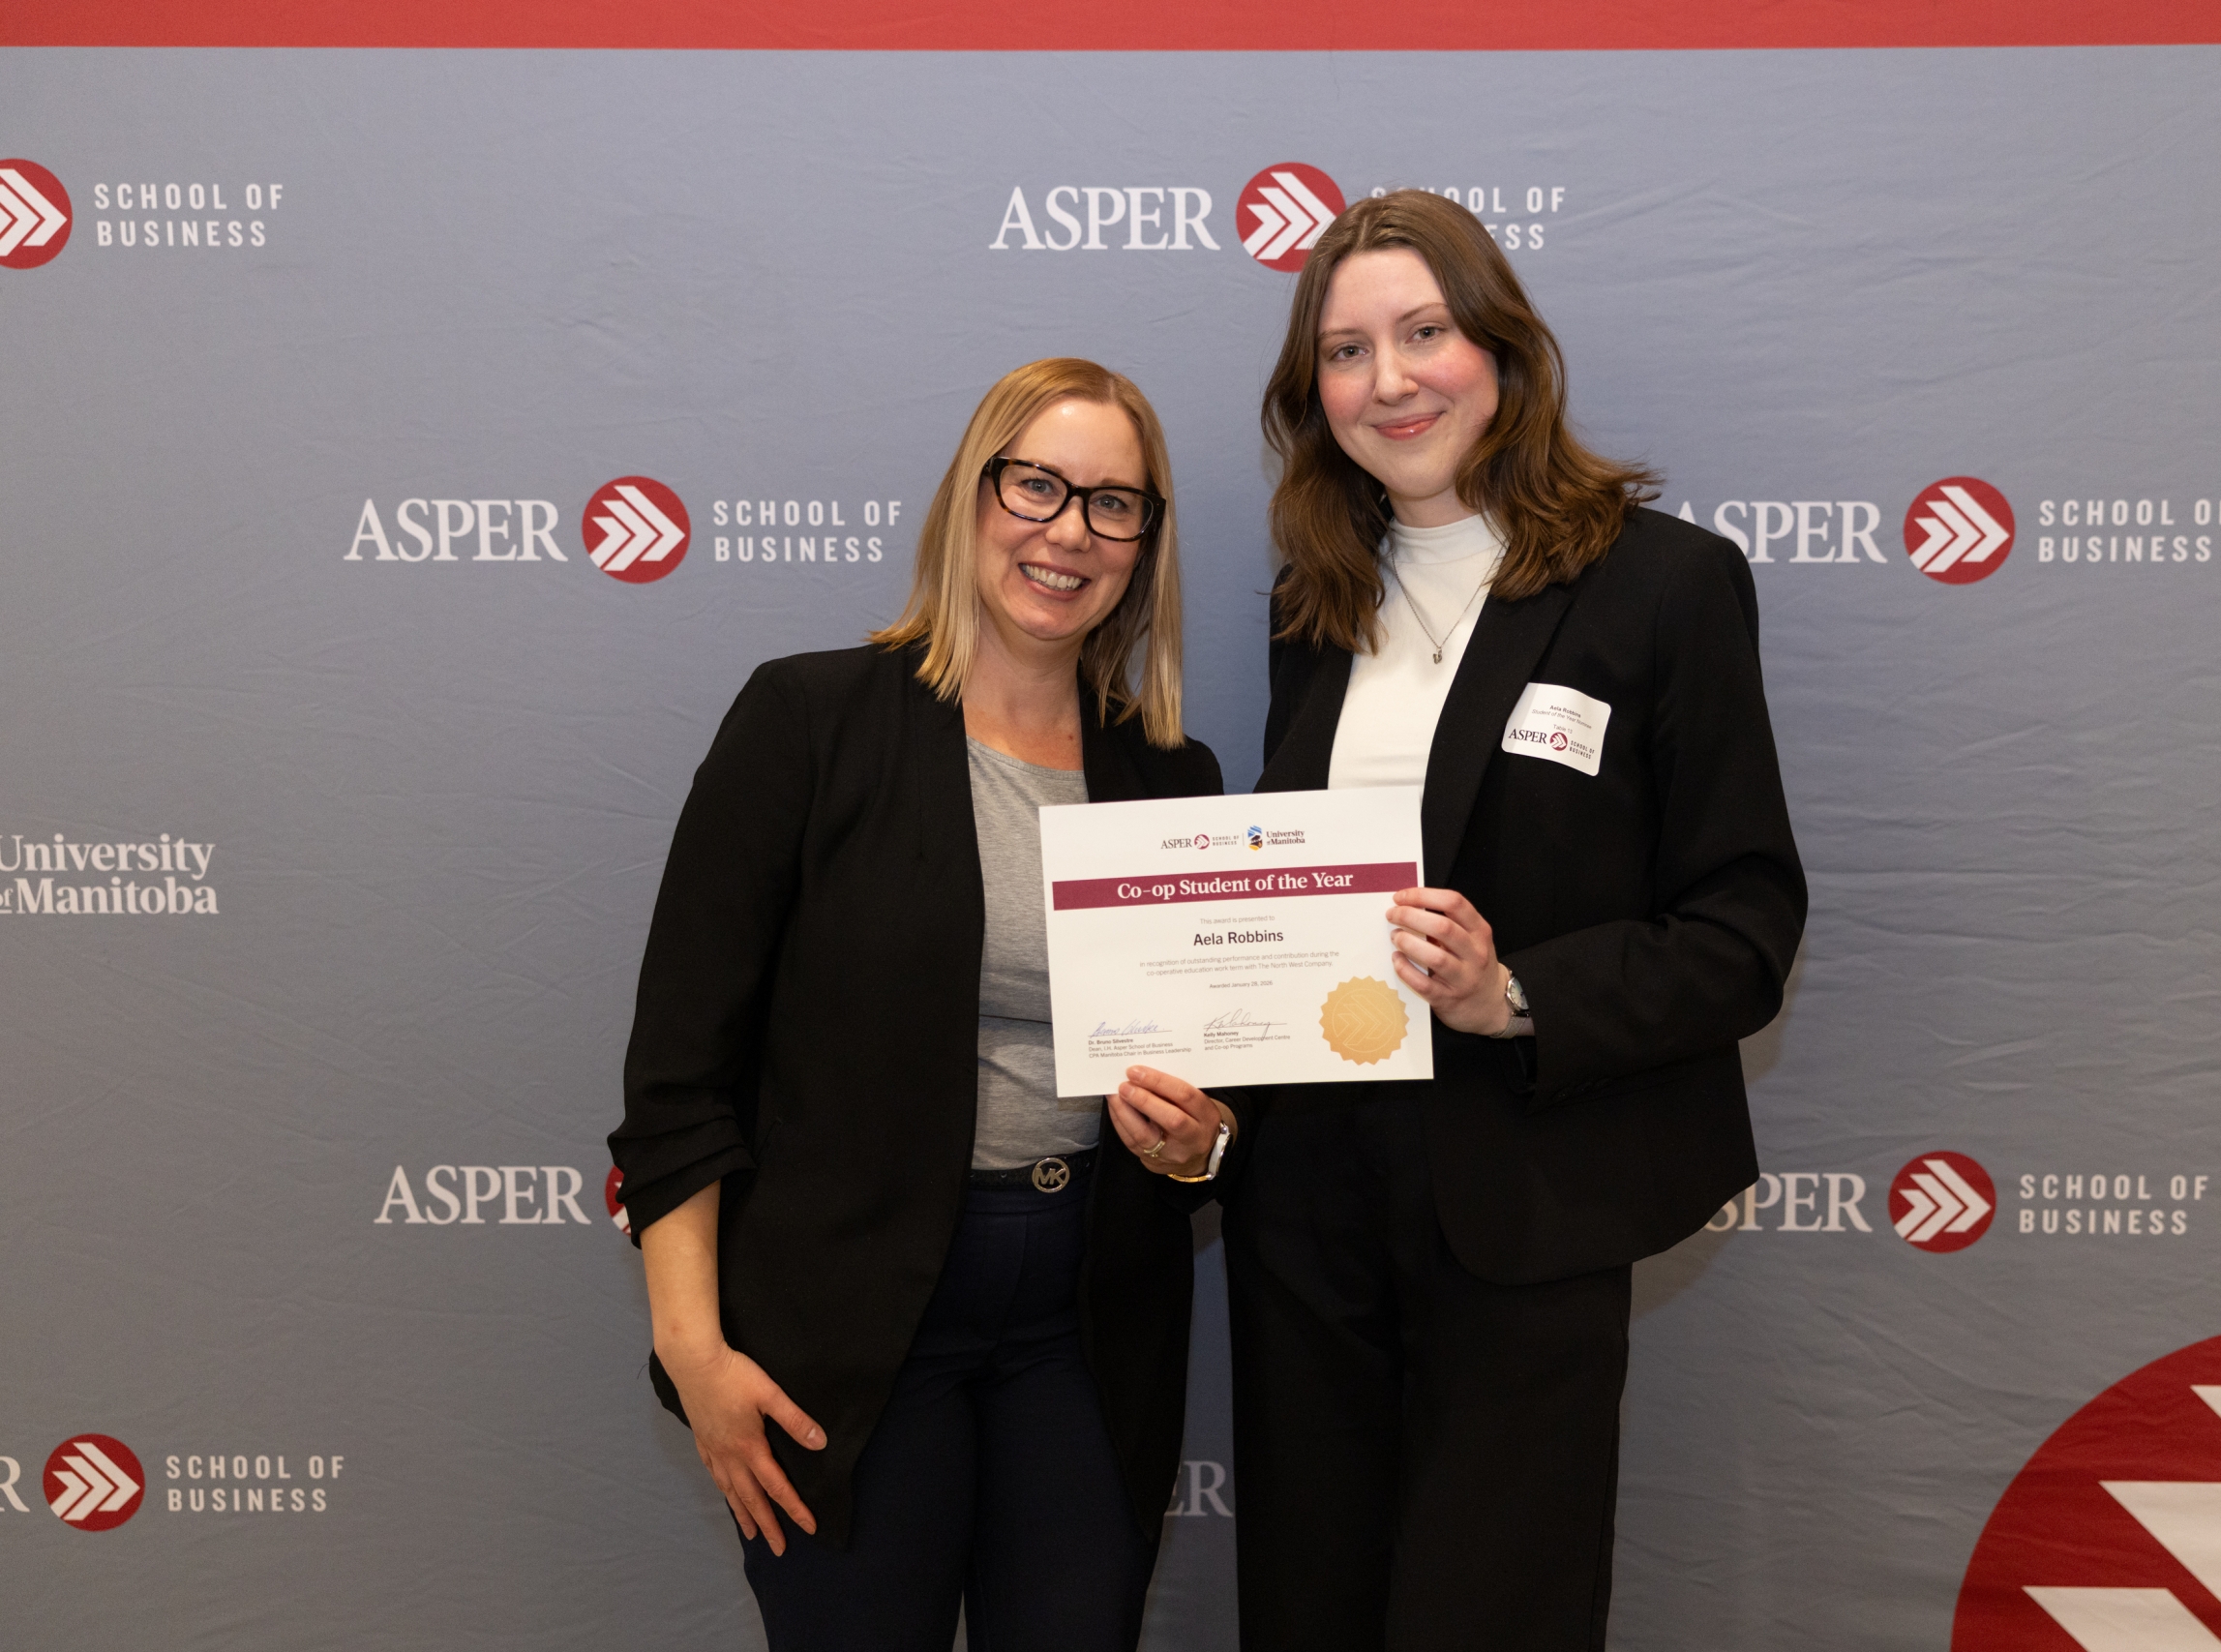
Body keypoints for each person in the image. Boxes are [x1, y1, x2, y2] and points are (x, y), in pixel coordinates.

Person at [1109, 191, 1807, 1649]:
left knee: (1496, 1612)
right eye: (1348, 352)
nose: (1391, 380)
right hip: (1306, 1215)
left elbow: (1745, 927)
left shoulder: (1663, 587)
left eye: (1424, 332)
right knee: (1311, 1606)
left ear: (1502, 348)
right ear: (1318, 399)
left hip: (1526, 1204)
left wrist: (1517, 995)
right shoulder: (1320, 607)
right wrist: (1212, 1106)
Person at [610, 357, 1225, 1652]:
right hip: (848, 1335)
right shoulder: (809, 722)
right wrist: (695, 1357)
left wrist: (1206, 1140)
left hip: (1087, 1326)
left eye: (1115, 505)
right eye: (1038, 486)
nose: (1069, 532)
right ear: (973, 496)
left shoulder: (1172, 778)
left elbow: (1223, 1080)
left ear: (1145, 545)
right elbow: (678, 1076)